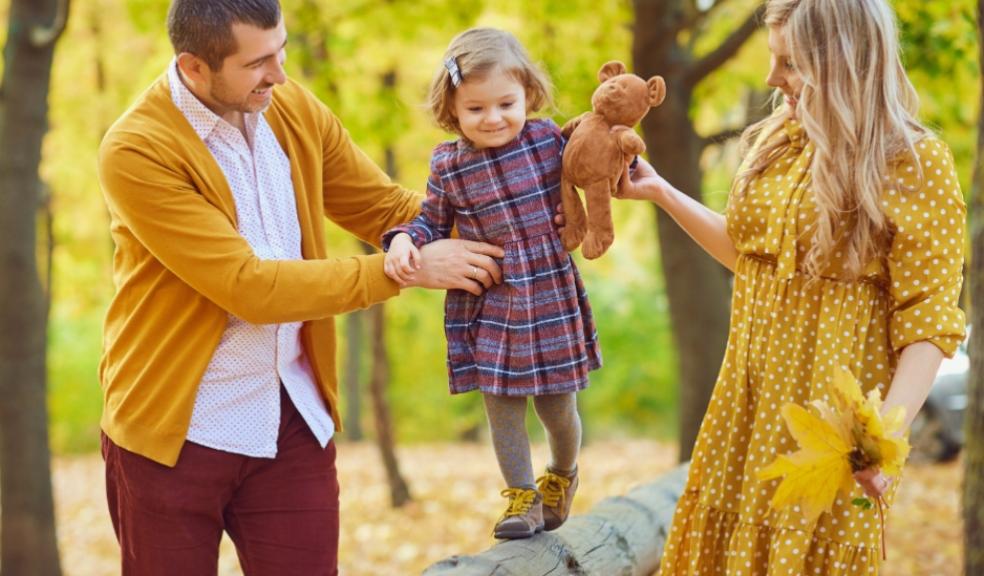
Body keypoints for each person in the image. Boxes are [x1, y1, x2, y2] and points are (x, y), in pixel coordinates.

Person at [95, 1, 507, 574]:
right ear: (193, 68)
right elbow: (249, 289)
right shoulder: (137, 149)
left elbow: (380, 205)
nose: (280, 74)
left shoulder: (288, 107)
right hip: (175, 432)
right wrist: (402, 271)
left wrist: (519, 214)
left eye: (281, 50)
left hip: (289, 417)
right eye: (259, 62)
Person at [618, 0, 966, 573]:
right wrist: (661, 191)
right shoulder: (779, 140)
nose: (771, 77)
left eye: (790, 62)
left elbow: (927, 322)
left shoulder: (912, 162)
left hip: (830, 440)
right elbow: (752, 260)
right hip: (743, 415)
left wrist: (882, 442)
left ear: (845, 62)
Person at [381, 27, 602, 540]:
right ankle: (521, 499)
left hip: (546, 293)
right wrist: (401, 241)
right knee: (501, 404)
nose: (494, 118)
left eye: (506, 103)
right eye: (476, 109)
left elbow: (596, 163)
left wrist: (620, 161)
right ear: (453, 110)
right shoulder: (449, 165)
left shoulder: (549, 140)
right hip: (492, 298)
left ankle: (562, 474)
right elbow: (430, 221)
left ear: (528, 93)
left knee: (556, 407)